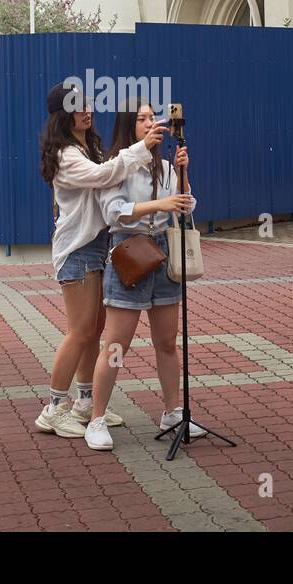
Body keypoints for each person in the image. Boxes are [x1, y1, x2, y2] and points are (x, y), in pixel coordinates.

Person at [35, 83, 167, 437]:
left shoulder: (89, 146)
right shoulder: (66, 155)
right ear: (63, 114)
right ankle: (52, 409)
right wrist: (142, 147)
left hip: (99, 247)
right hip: (77, 251)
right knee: (79, 332)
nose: (87, 111)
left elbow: (110, 172)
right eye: (78, 107)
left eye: (88, 104)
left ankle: (84, 403)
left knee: (93, 331)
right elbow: (103, 176)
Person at [84, 100, 203, 451]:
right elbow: (114, 213)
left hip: (164, 255)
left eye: (153, 117)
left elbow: (185, 206)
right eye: (142, 119)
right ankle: (96, 419)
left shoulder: (164, 166)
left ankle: (172, 412)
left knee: (167, 341)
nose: (151, 123)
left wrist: (182, 174)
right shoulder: (116, 166)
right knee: (117, 343)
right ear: (128, 127)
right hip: (130, 254)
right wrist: (159, 206)